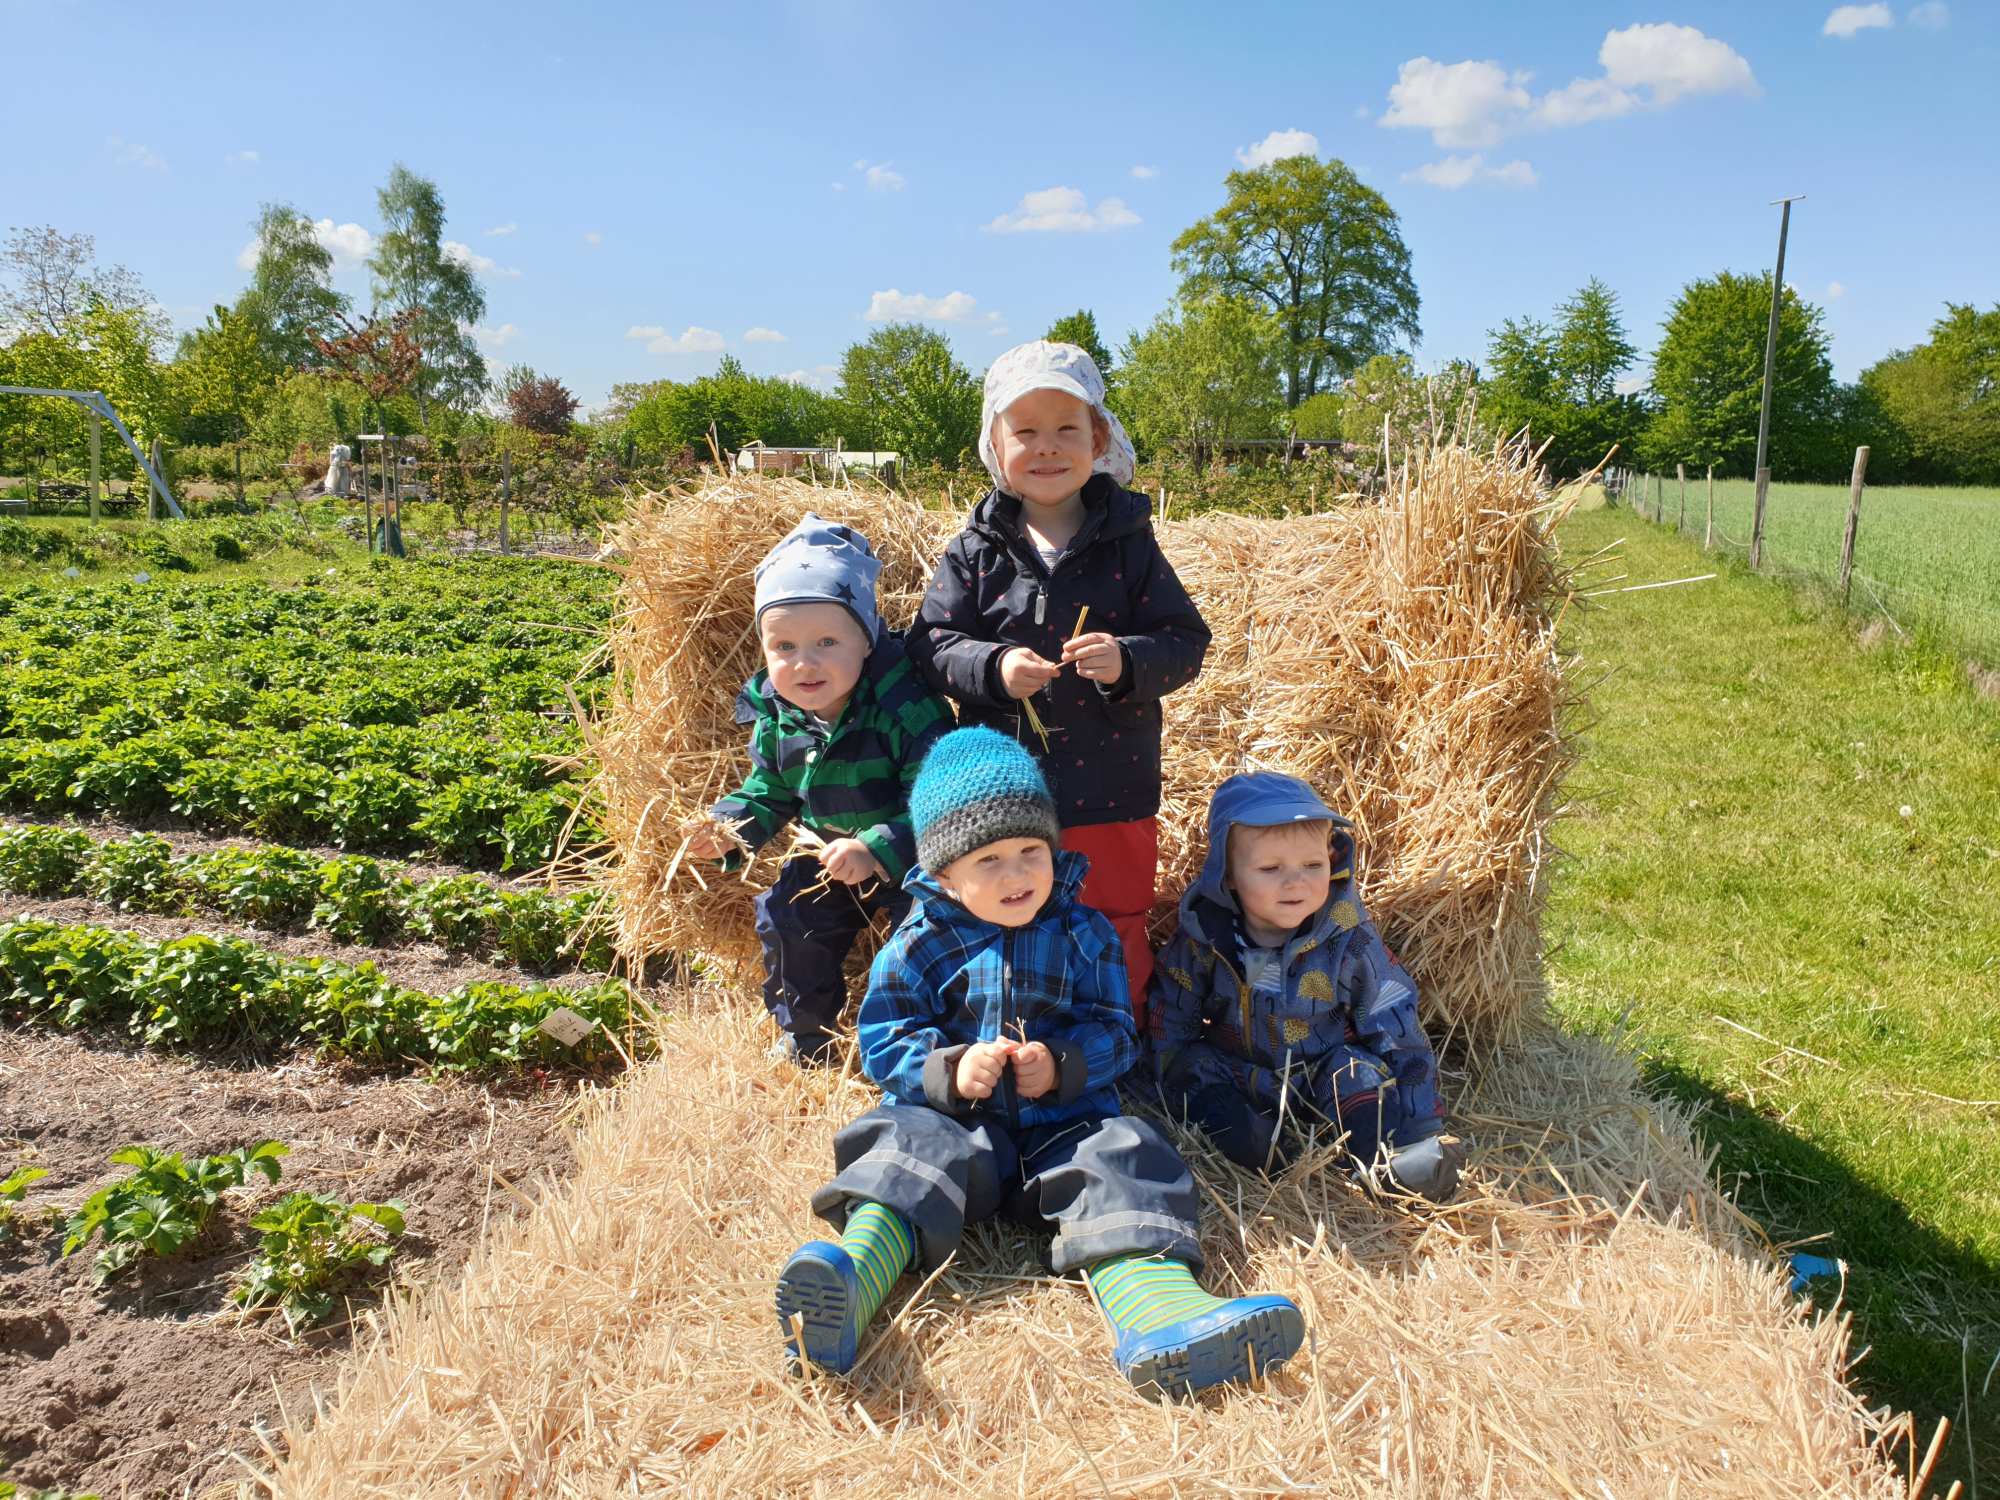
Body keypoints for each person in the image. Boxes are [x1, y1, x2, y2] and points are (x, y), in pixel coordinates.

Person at [776, 728, 1304, 1396]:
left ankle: (1163, 1316)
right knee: (903, 1145)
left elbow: (1117, 1029)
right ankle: (850, 1280)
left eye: (1031, 851)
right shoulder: (918, 943)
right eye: (989, 860)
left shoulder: (1084, 932)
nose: (1018, 873)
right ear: (944, 874)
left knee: (1123, 1154)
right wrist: (948, 1070)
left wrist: (1063, 1065)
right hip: (956, 1127)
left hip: (1064, 1126)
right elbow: (884, 1038)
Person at [906, 341, 1209, 1020]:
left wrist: (1128, 660)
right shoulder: (977, 548)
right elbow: (929, 643)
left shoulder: (1129, 541)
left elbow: (1186, 642)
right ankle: (1014, 1033)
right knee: (1006, 913)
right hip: (1004, 789)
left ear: (1099, 438)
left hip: (1113, 781)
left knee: (1113, 914)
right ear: (995, 444)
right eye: (1026, 432)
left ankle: (1114, 1039)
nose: (1047, 448)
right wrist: (992, 668)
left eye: (1067, 428)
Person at [685, 514, 952, 1065]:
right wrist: (729, 829)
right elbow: (769, 789)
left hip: (912, 854)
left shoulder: (904, 706)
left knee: (928, 931)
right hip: (828, 854)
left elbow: (939, 799)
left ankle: (922, 1037)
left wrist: (876, 847)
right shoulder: (778, 716)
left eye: (827, 641)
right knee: (788, 918)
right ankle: (808, 1037)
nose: (803, 663)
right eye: (783, 646)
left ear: (867, 638)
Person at [1148, 771, 1462, 1199]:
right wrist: (1166, 1075)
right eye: (1271, 868)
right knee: (1196, 1068)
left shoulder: (1348, 935)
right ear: (1229, 875)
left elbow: (1394, 1020)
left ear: (1332, 861)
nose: (1295, 881)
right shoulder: (1206, 936)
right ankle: (1252, 1141)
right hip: (1242, 1070)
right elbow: (1174, 1006)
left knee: (1360, 1074)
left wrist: (1421, 1120)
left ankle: (1388, 1161)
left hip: (1323, 1066)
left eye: (1312, 865)